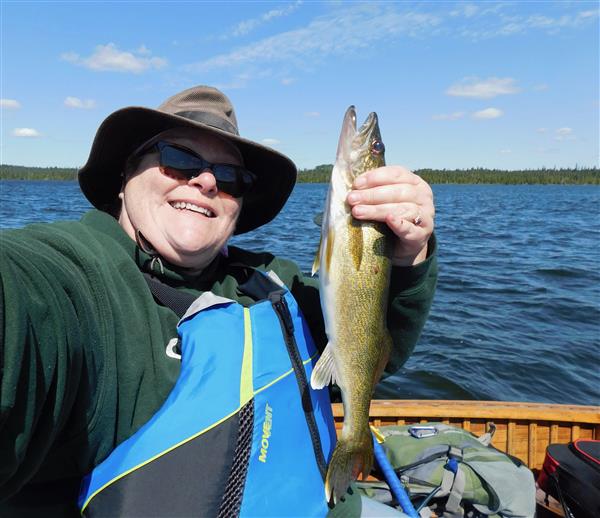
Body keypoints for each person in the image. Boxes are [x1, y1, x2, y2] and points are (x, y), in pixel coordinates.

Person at [0, 85, 437, 516]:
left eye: (230, 177)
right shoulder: (74, 279)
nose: (207, 181)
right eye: (179, 158)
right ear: (124, 177)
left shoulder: (274, 282)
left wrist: (407, 260)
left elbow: (378, 351)